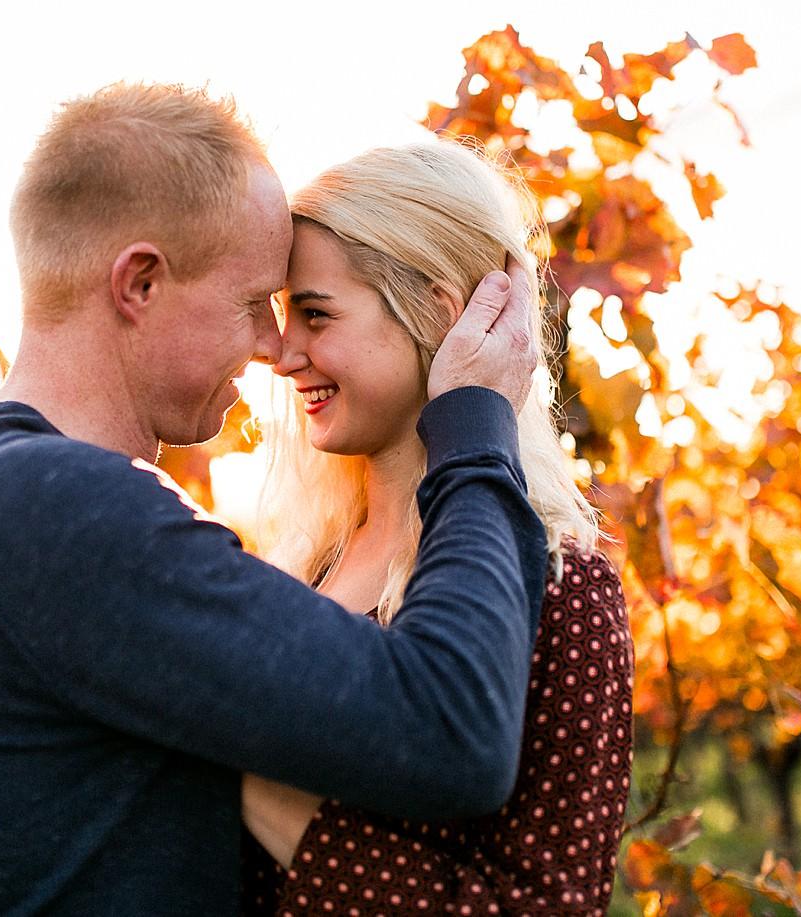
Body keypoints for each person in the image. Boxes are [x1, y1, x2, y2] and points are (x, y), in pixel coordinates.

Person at [0, 83, 553, 915]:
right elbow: (453, 732)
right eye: (255, 303)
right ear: (139, 283)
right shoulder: (57, 509)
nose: (271, 347)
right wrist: (474, 424)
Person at [235, 143, 635, 915]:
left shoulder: (562, 591)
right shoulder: (303, 566)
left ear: (442, 315)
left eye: (315, 312)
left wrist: (250, 781)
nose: (284, 354)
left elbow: (545, 906)